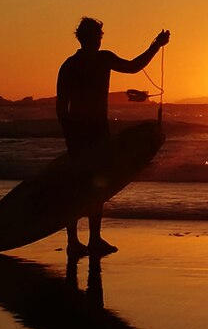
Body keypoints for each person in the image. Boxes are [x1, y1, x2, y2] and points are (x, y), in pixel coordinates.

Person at [57, 17, 170, 257]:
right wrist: (155, 46)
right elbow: (132, 66)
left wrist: (155, 46)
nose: (99, 40)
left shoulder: (76, 63)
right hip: (89, 131)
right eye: (97, 36)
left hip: (86, 131)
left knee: (88, 185)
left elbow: (61, 106)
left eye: (99, 37)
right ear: (88, 37)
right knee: (89, 185)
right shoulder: (89, 62)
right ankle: (81, 241)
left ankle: (84, 240)